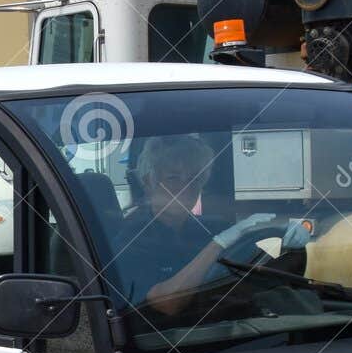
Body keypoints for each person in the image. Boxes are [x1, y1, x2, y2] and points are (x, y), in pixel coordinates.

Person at [115, 134, 275, 318]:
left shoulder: (214, 227)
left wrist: (284, 244)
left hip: (238, 328)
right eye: (173, 177)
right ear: (148, 181)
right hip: (171, 339)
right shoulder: (132, 237)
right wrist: (218, 245)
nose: (186, 187)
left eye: (195, 178)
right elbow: (166, 304)